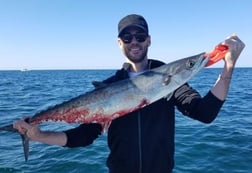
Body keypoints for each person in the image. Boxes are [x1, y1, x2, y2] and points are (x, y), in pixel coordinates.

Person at [13, 14, 245, 173]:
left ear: (149, 40)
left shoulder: (169, 79)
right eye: (127, 37)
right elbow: (83, 136)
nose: (134, 41)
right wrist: (38, 135)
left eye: (140, 36)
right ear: (119, 43)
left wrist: (229, 66)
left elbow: (205, 113)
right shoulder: (109, 86)